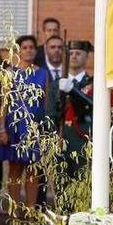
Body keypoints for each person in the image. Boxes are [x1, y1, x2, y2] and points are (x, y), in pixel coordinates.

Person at [0, 35, 49, 225]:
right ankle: (15, 215)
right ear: (18, 51)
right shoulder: (9, 73)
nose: (28, 50)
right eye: (24, 47)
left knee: (34, 173)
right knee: (15, 172)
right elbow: (4, 103)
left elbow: (46, 102)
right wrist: (1, 128)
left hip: (35, 128)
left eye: (31, 47)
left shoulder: (43, 73)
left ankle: (32, 215)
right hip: (15, 127)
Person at [47, 40, 94, 179]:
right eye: (71, 53)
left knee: (83, 187)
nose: (74, 56)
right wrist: (54, 139)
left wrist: (71, 90)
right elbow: (50, 115)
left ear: (86, 57)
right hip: (62, 140)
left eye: (78, 53)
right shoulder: (56, 85)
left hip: (84, 141)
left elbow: (91, 106)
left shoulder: (93, 83)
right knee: (62, 189)